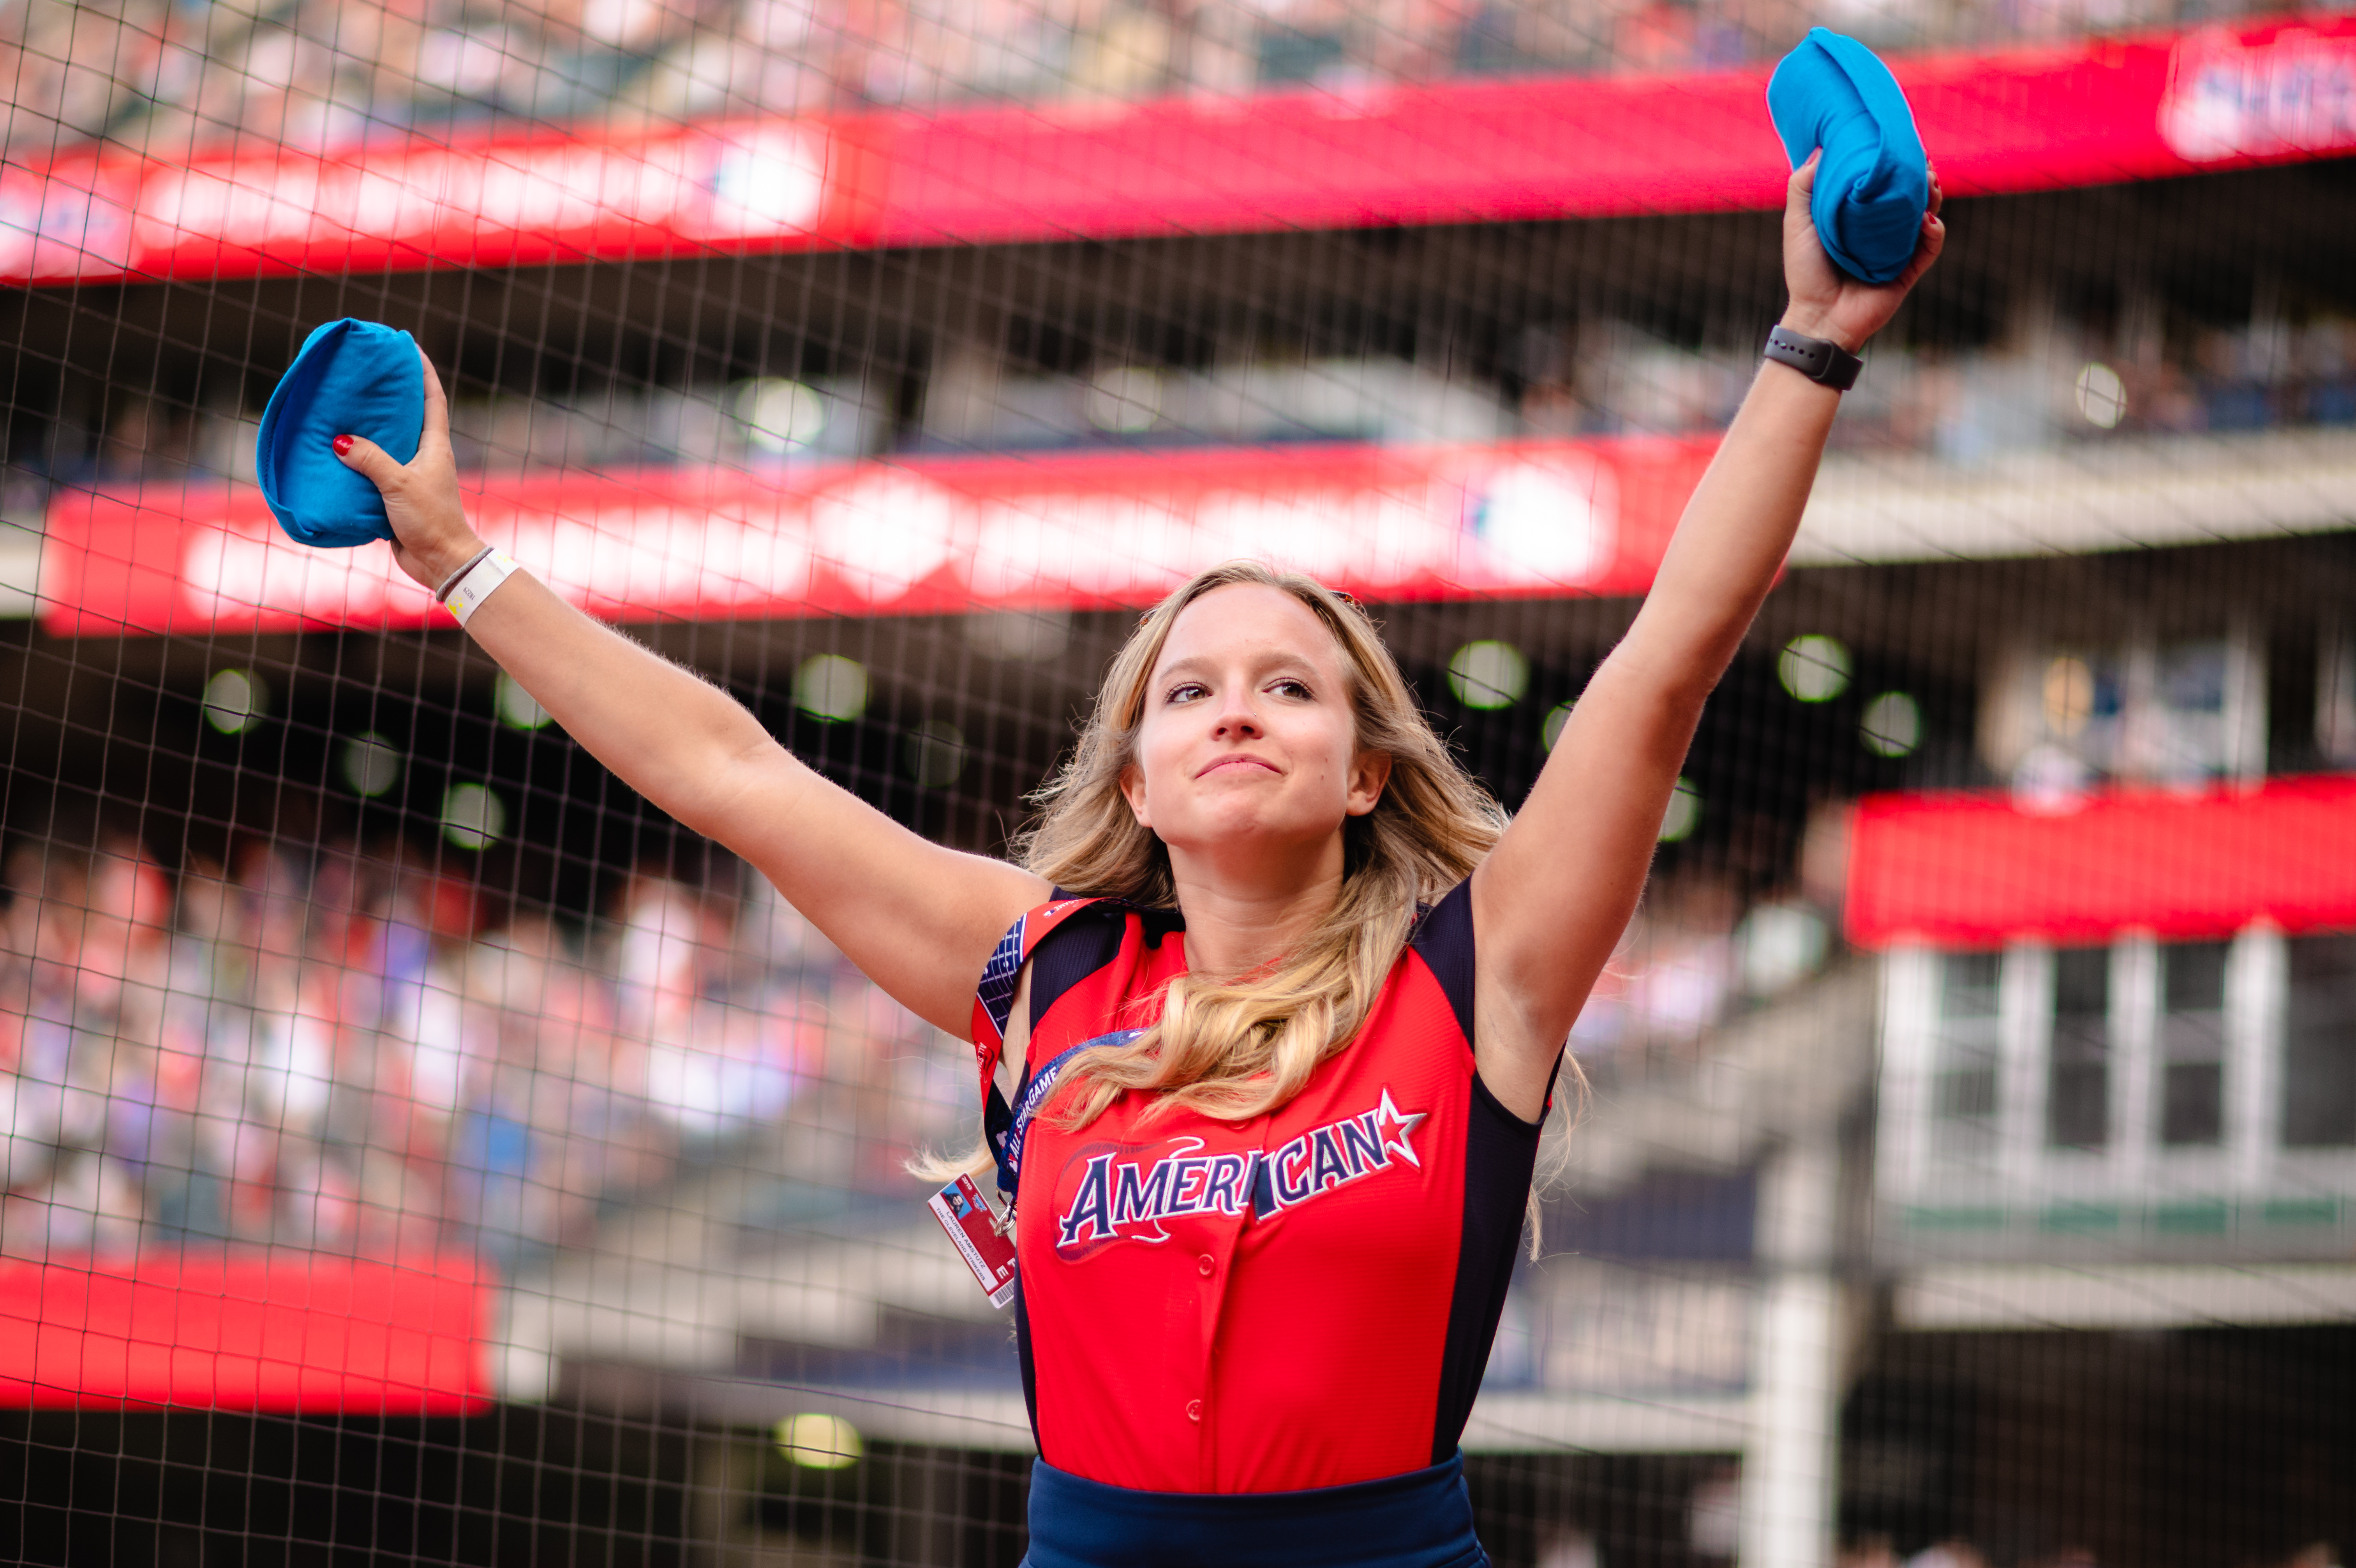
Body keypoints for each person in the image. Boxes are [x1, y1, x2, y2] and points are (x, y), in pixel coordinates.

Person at [328, 152, 1941, 1567]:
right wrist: (465, 564)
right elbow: (734, 773)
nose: (1237, 708)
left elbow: (1663, 664)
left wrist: (1808, 346)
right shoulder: (1038, 966)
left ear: (1366, 768)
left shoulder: (1482, 975)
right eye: (1191, 689)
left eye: (1290, 684)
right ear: (1145, 778)